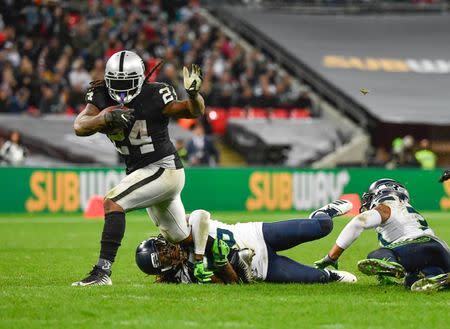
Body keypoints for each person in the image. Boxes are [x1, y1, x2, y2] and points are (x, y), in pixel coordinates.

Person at [72, 50, 207, 286]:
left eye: (128, 84)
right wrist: (103, 119)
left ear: (141, 79)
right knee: (179, 236)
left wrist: (194, 94)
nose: (122, 91)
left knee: (113, 201)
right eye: (117, 83)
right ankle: (222, 252)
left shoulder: (155, 95)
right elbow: (80, 126)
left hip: (164, 168)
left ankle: (102, 272)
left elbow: (193, 110)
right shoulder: (101, 95)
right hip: (144, 172)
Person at [136, 201, 358, 284]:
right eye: (164, 254)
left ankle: (322, 212)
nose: (169, 249)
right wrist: (222, 264)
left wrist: (201, 254)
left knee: (323, 227)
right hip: (261, 268)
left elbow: (200, 215)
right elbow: (231, 284)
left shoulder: (179, 233)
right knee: (321, 278)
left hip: (256, 234)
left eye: (163, 246)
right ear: (164, 267)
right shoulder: (187, 275)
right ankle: (331, 276)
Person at [315, 178, 450, 292]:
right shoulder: (408, 209)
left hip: (413, 248)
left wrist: (332, 256)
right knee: (412, 281)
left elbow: (358, 223)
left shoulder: (386, 206)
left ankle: (390, 263)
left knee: (376, 255)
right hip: (441, 250)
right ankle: (437, 275)